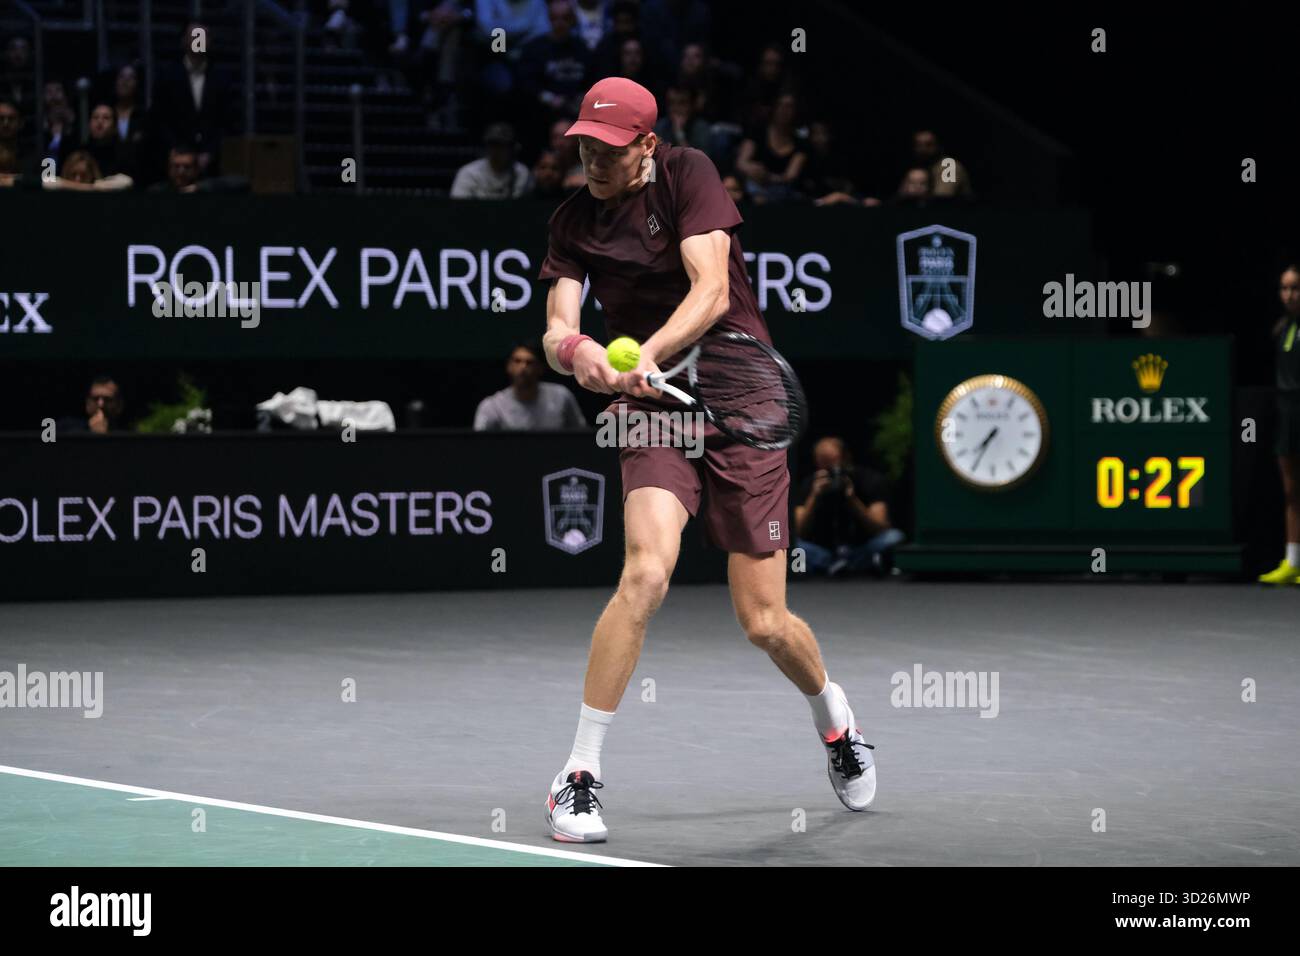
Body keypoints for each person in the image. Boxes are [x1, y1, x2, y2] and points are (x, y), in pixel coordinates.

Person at [537, 76, 876, 843]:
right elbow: (557, 325)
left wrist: (647, 351)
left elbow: (713, 289)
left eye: (610, 148)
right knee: (646, 572)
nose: (593, 157)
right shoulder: (571, 220)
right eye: (585, 144)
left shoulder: (689, 175)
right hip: (656, 414)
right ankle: (578, 776)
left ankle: (838, 724)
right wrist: (582, 353)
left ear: (647, 146)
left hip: (740, 404)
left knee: (763, 622)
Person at [793, 437, 906, 576]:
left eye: (834, 461)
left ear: (847, 457)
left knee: (893, 537)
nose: (831, 469)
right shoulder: (810, 485)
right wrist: (814, 497)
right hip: (822, 551)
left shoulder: (869, 480)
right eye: (824, 463)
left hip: (860, 548)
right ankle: (839, 565)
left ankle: (845, 566)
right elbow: (797, 532)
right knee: (793, 545)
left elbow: (881, 527)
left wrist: (852, 500)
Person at [1258, 264, 1300, 584]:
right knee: (1290, 491)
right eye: (1284, 289)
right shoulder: (1280, 329)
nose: (1289, 295)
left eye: (1295, 288)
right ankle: (1292, 562)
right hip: (1286, 414)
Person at [473, 342, 586, 430]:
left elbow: (579, 436)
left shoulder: (561, 396)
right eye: (517, 361)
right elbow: (479, 446)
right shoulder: (492, 406)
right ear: (509, 367)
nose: (523, 367)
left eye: (530, 362)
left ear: (540, 368)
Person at [449, 122, 532, 198]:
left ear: (513, 148)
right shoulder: (469, 173)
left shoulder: (521, 172)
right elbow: (458, 208)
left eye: (501, 145)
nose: (495, 150)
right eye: (492, 144)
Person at [57, 377, 128, 434]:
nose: (100, 404)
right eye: (95, 399)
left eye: (107, 399)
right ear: (87, 403)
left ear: (119, 405)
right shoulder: (66, 428)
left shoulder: (129, 434)